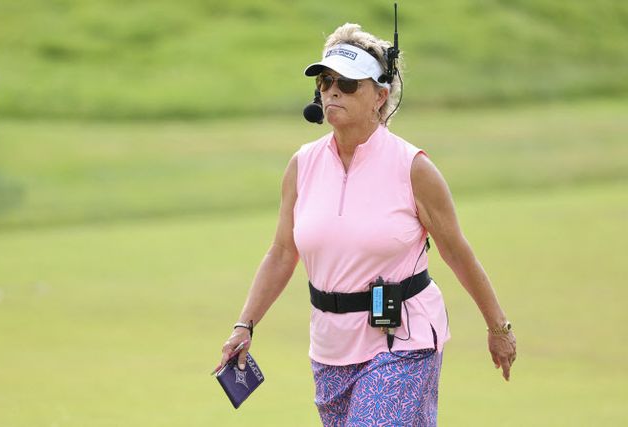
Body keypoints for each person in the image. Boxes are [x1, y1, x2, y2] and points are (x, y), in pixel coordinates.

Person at [217, 23, 517, 426]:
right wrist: (245, 325)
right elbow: (283, 252)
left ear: (380, 96)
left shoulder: (413, 168)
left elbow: (457, 252)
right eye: (325, 82)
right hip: (330, 347)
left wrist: (498, 327)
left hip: (403, 341)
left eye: (347, 83)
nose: (332, 92)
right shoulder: (302, 165)